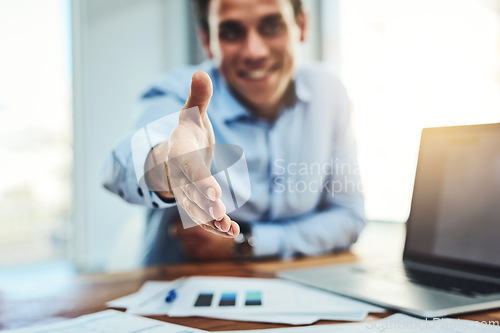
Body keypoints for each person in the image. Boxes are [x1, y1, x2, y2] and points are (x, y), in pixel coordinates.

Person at [103, 0, 366, 265]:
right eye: (231, 32)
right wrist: (168, 166)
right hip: (181, 293)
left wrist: (249, 241)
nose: (255, 51)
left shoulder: (329, 94)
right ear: (207, 40)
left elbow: (348, 217)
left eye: (272, 25)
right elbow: (117, 168)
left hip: (298, 285)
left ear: (301, 26)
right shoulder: (179, 93)